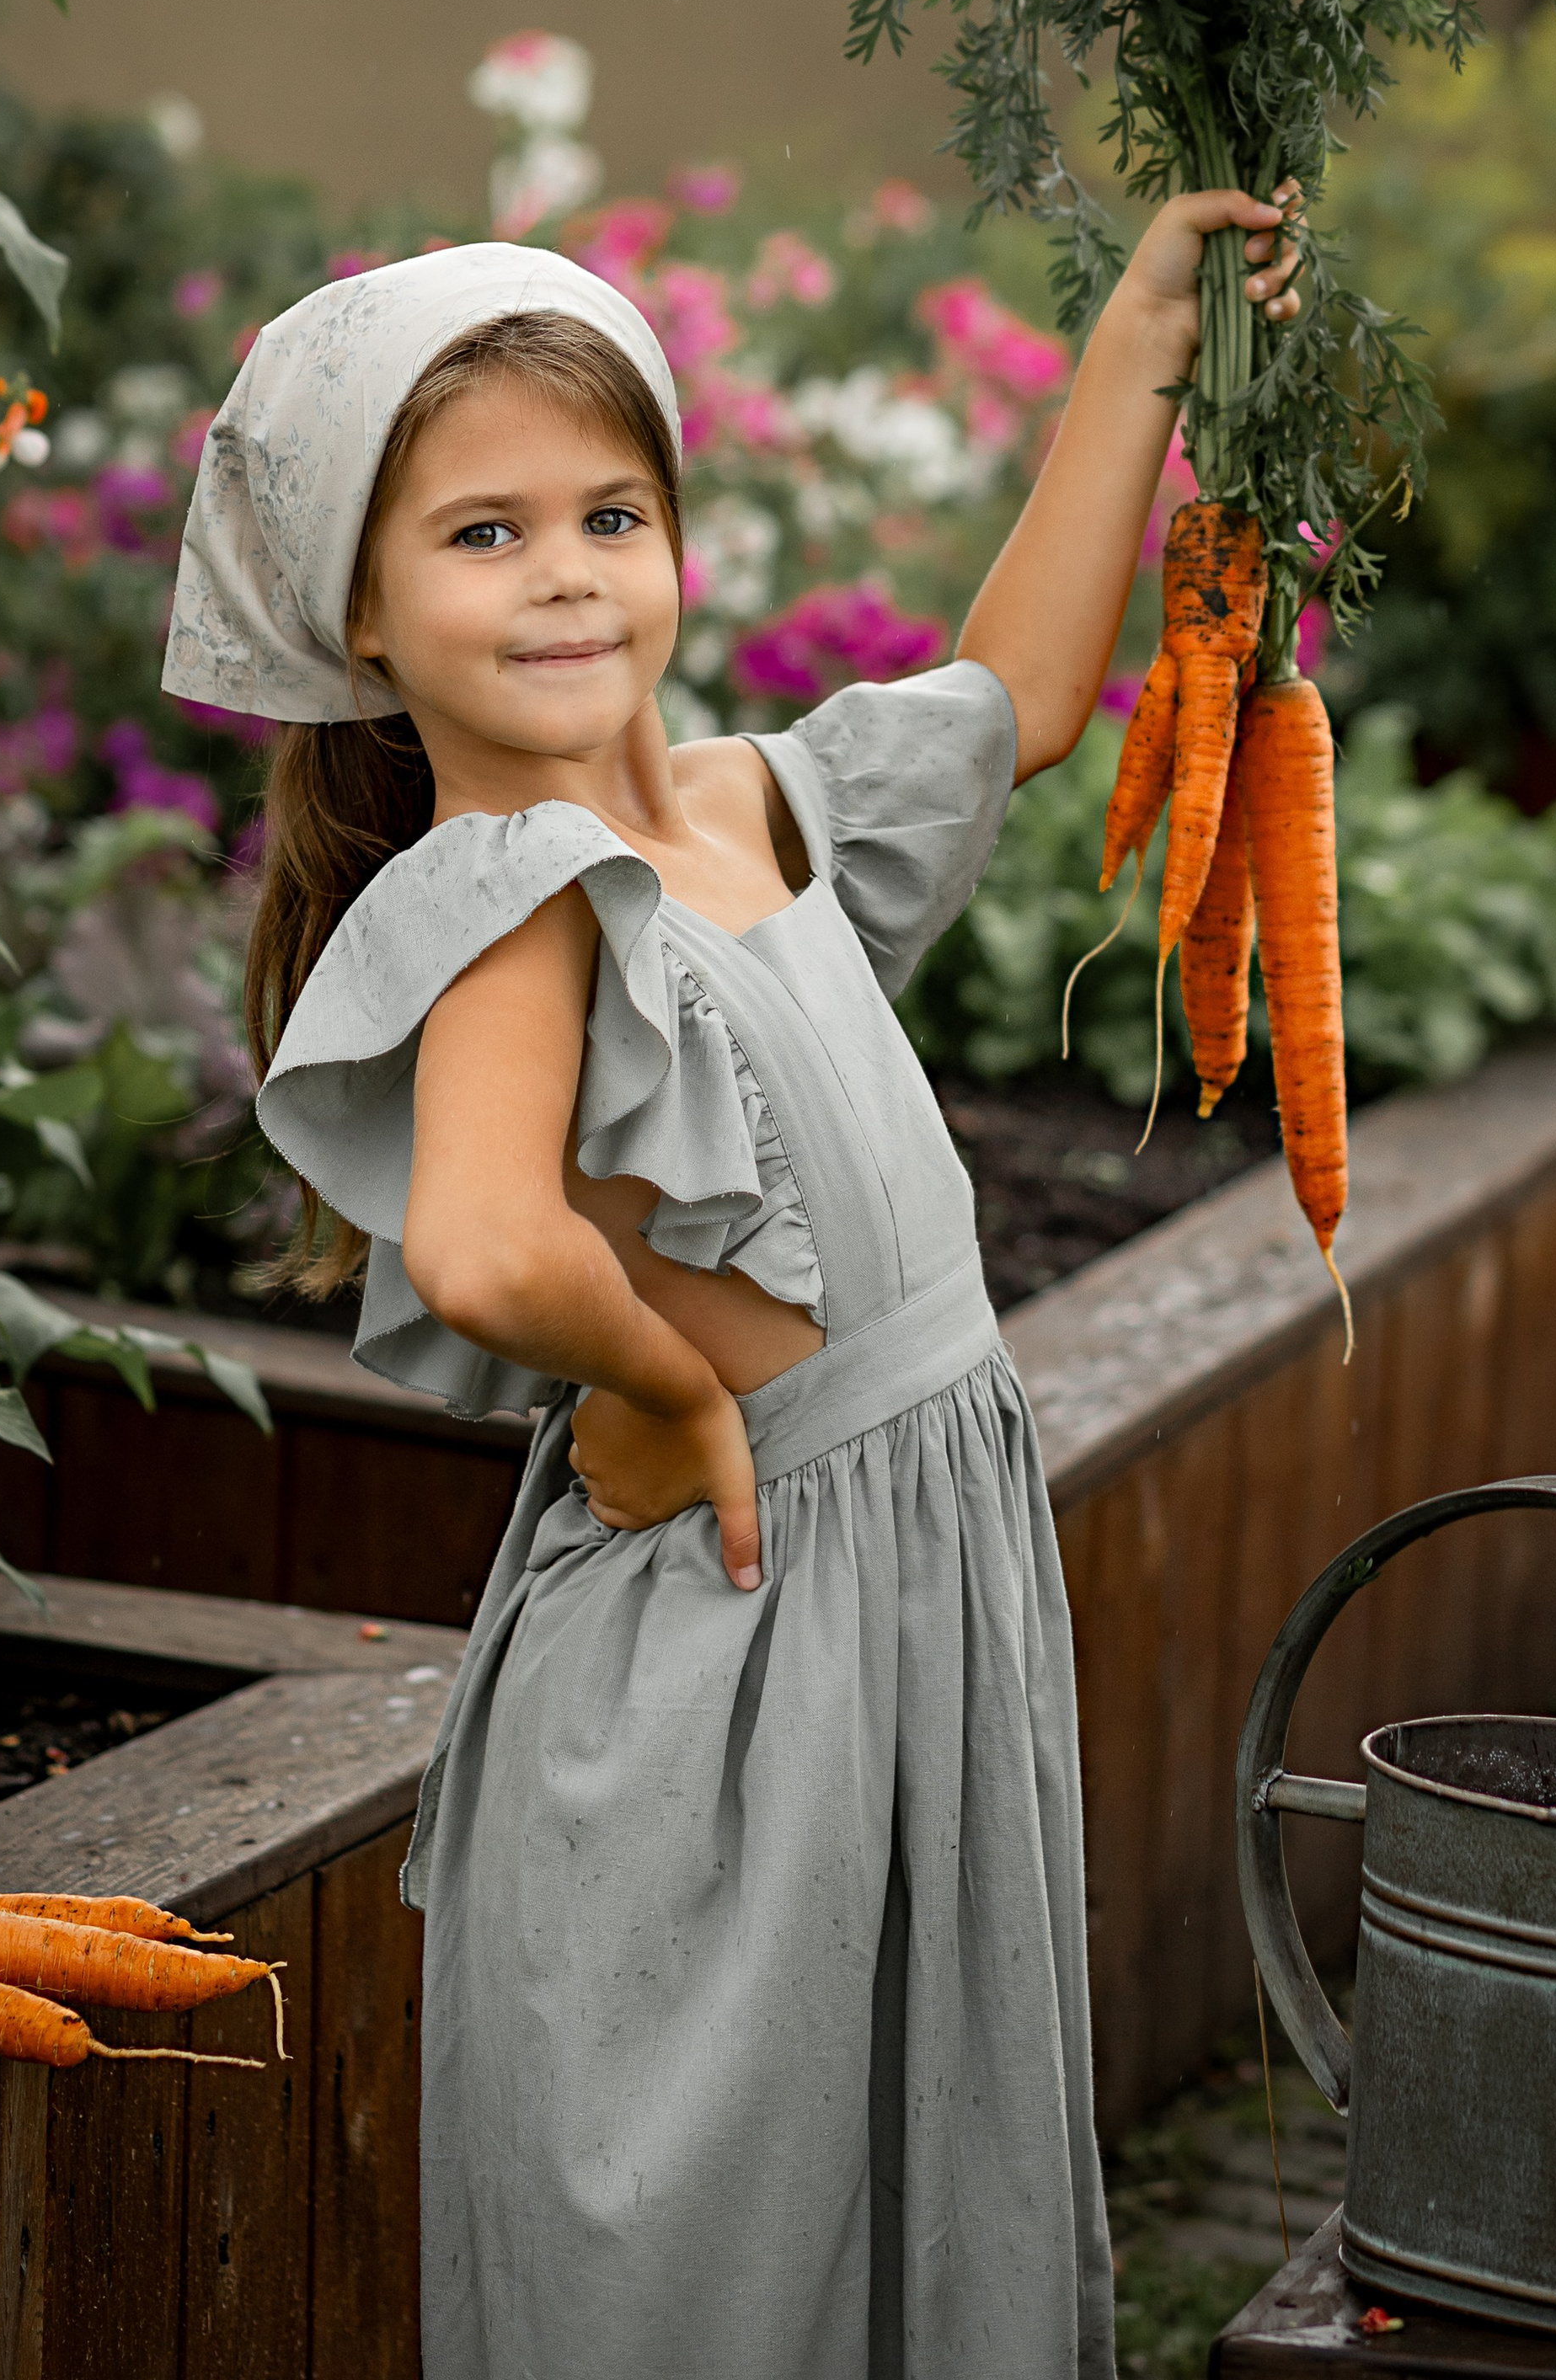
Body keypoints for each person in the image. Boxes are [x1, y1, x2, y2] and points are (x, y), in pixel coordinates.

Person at [161, 185, 1300, 2380]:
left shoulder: (748, 812)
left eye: (608, 508)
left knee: (883, 2158)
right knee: (701, 2232)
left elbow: (1024, 694)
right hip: (726, 1648)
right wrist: (671, 1388)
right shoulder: (516, 886)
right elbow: (490, 1237)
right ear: (361, 619)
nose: (567, 568)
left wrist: (1142, 346)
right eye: (480, 533)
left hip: (890, 1578)